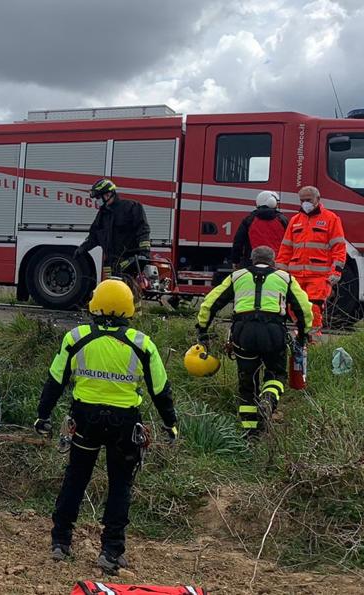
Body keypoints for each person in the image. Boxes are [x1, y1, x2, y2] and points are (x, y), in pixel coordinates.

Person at [33, 278, 177, 574]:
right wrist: (170, 424)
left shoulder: (76, 338)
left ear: (94, 305)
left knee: (76, 478)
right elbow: (160, 390)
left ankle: (60, 542)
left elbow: (55, 380)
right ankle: (111, 551)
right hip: (124, 423)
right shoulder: (141, 343)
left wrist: (43, 416)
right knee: (120, 485)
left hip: (85, 419)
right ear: (128, 308)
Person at [197, 246, 313, 435]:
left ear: (251, 259)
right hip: (273, 332)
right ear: (273, 261)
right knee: (276, 374)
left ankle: (251, 434)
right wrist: (303, 334)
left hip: (243, 333)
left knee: (247, 382)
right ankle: (269, 398)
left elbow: (210, 303)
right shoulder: (285, 278)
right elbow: (304, 308)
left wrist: (202, 329)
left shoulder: (237, 276)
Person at [276, 185, 346, 339]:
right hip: (295, 275)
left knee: (314, 307)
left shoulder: (331, 219)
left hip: (319, 275)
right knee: (292, 306)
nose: (305, 203)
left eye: (308, 200)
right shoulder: (295, 220)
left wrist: (336, 271)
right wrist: (280, 271)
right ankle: (301, 332)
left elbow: (339, 247)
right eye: (302, 200)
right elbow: (285, 248)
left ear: (318, 199)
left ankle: (312, 338)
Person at [74, 179, 151, 279]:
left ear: (108, 194)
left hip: (129, 261)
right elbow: (94, 236)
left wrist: (144, 253)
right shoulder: (102, 215)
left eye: (98, 197)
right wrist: (81, 249)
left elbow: (143, 230)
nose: (97, 201)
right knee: (112, 290)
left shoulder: (131, 207)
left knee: (128, 289)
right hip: (111, 264)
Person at [230, 190, 287, 267]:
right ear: (272, 202)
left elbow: (238, 242)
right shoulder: (282, 220)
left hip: (252, 262)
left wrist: (235, 260)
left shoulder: (249, 219)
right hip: (276, 263)